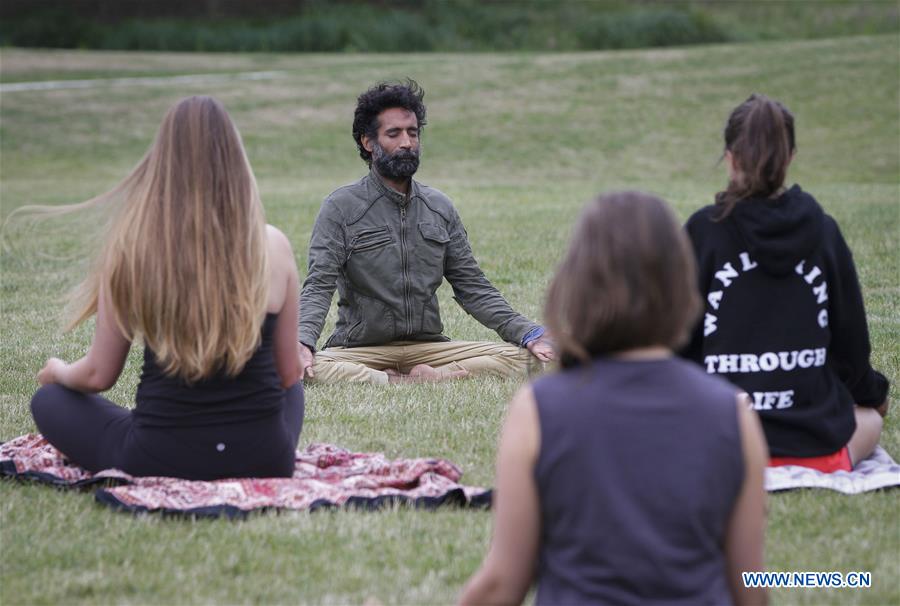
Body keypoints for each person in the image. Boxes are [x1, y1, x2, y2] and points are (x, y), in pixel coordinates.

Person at [460, 192, 768, 606]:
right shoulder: (732, 412)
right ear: (681, 284)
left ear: (577, 284)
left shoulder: (539, 410)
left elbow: (503, 584)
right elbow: (749, 586)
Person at [27, 96, 304, 481]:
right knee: (292, 391)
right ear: (235, 162)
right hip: (266, 460)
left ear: (163, 164)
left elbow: (97, 376)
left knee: (49, 399)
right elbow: (290, 374)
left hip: (160, 457)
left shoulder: (133, 249)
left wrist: (58, 371)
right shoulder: (273, 245)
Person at [681, 93, 889, 472]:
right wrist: (874, 395)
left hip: (721, 444)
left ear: (730, 158)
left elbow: (677, 340)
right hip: (813, 443)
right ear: (790, 157)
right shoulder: (823, 231)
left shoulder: (702, 231)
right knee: (871, 419)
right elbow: (851, 345)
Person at [298, 79, 553, 385]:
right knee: (304, 368)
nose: (407, 143)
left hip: (429, 348)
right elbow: (318, 285)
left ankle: (426, 375)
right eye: (394, 133)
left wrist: (529, 333)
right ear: (368, 142)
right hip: (360, 350)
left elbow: (473, 287)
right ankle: (400, 380)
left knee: (529, 359)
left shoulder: (439, 207)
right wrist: (302, 342)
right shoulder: (340, 207)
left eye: (413, 132)